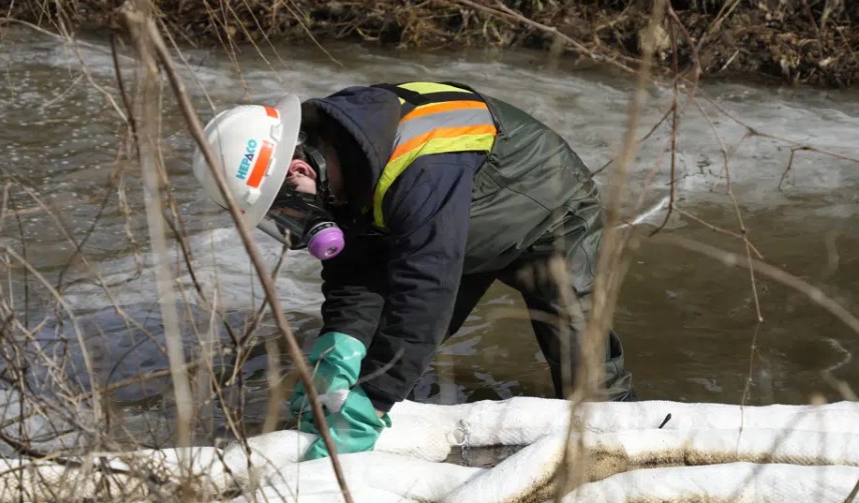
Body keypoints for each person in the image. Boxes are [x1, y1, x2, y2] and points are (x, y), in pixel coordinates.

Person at [193, 81, 636, 461]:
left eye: (285, 208)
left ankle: (624, 451)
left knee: (581, 357)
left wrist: (373, 400)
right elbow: (358, 263)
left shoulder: (420, 165)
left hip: (546, 209)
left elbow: (426, 289)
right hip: (448, 224)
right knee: (377, 349)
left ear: (299, 169)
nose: (293, 223)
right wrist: (340, 345)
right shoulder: (342, 155)